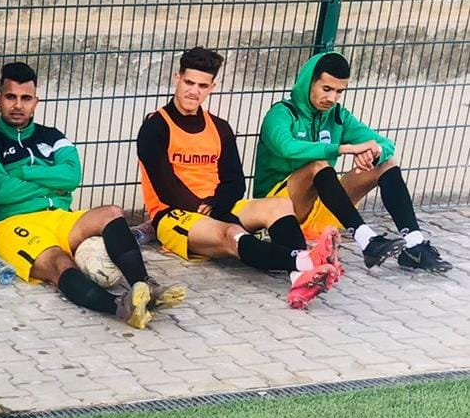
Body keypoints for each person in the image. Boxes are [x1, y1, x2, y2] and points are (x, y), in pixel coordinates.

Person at [0, 62, 185, 329]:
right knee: (60, 263)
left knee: (110, 213)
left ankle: (146, 286)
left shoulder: (53, 137)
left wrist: (21, 173)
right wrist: (51, 184)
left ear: (36, 102)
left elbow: (72, 177)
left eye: (26, 98)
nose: (18, 105)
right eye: (10, 97)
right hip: (14, 224)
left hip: (60, 216)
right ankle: (120, 307)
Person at [136, 47, 343, 309]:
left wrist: (218, 206)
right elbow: (164, 186)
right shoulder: (155, 125)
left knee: (279, 204)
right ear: (177, 79)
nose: (194, 91)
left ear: (212, 88)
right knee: (232, 233)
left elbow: (235, 181)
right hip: (175, 214)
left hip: (217, 207)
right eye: (189, 82)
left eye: (202, 85)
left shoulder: (220, 127)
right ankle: (306, 260)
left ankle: (299, 277)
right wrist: (208, 211)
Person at [254, 50, 451, 273]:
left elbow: (385, 144)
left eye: (339, 91)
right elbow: (286, 147)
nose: (332, 98)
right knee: (318, 164)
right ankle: (366, 240)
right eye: (326, 89)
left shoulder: (338, 116)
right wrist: (344, 149)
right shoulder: (281, 113)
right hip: (283, 211)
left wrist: (374, 152)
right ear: (309, 83)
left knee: (386, 163)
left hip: (324, 206)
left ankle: (415, 246)